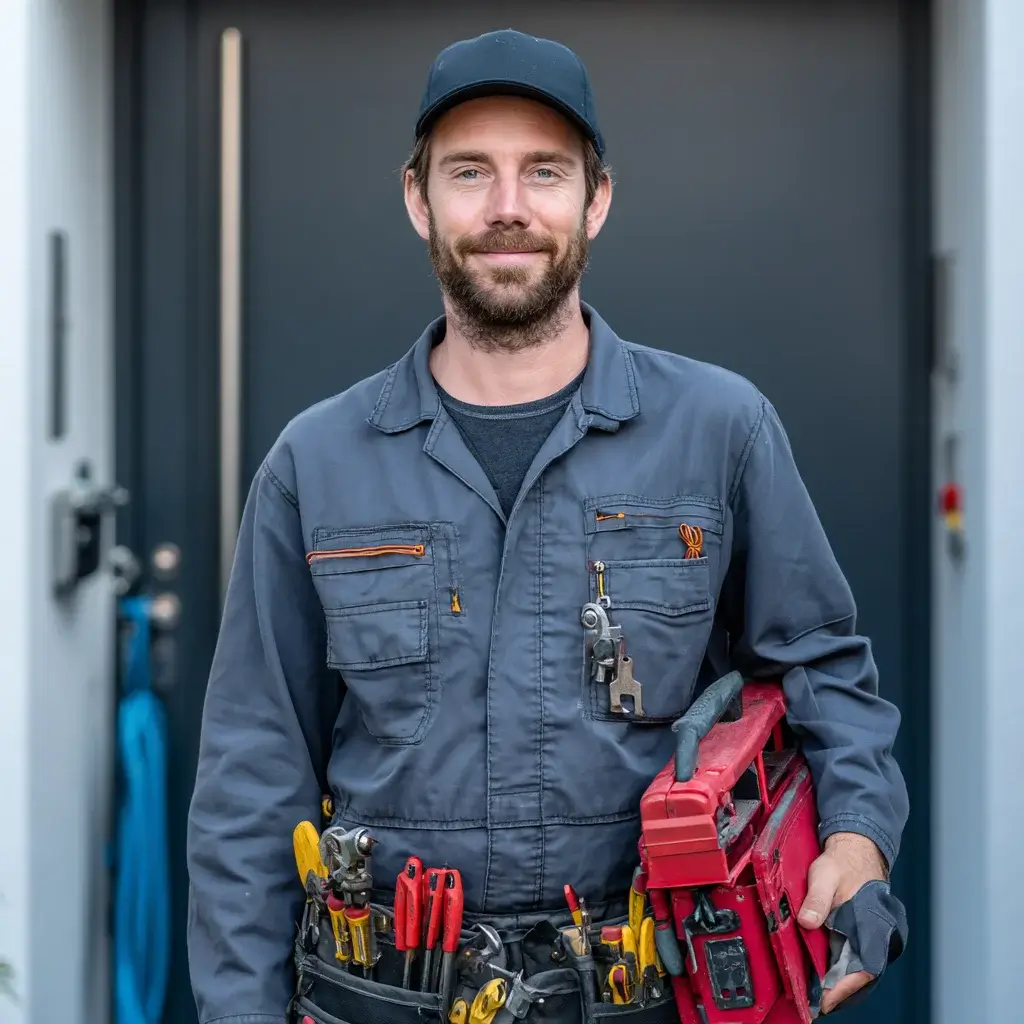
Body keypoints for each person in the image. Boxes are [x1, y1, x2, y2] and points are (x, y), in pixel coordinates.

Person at [186, 28, 909, 1024]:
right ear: (417, 198)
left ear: (595, 199)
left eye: (544, 172)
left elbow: (823, 669)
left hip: (644, 995)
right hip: (382, 999)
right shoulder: (314, 466)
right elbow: (250, 783)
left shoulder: (719, 431)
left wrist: (857, 837)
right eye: (470, 171)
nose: (508, 207)